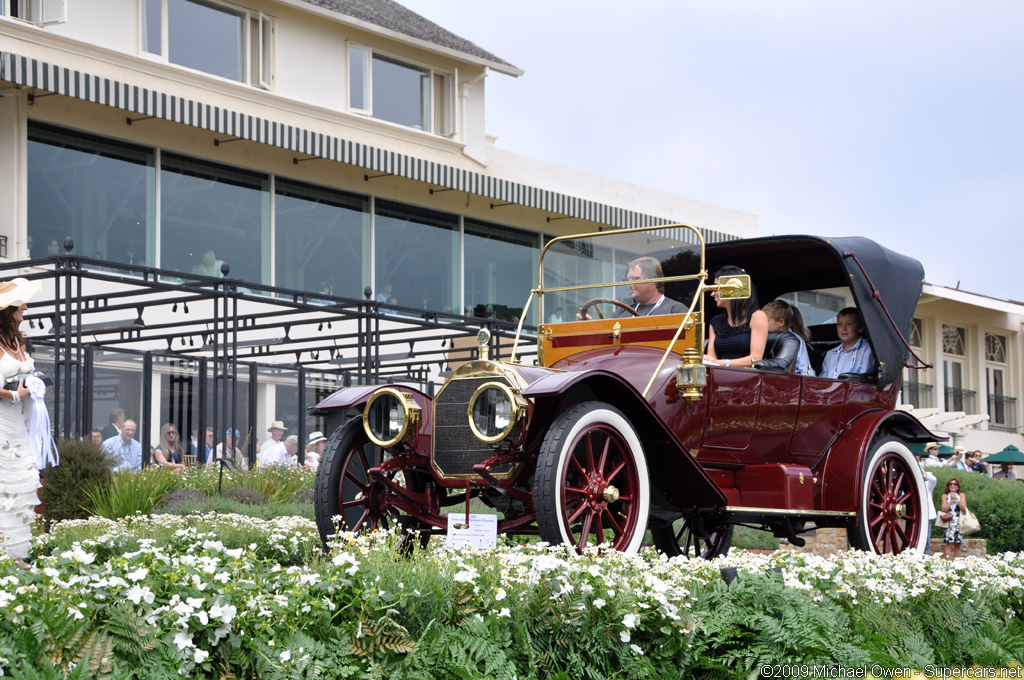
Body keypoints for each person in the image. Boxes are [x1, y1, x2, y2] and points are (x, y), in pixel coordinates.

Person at [0, 277, 43, 565]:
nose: (25, 307)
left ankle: (16, 554)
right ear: (7, 310)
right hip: (2, 422)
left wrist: (33, 386)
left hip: (20, 423)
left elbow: (21, 378)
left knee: (25, 482)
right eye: (20, 305)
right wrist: (16, 395)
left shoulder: (16, 341)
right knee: (5, 484)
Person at [704, 265, 768, 368]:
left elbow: (755, 358)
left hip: (748, 377)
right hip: (720, 375)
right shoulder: (715, 322)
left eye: (716, 289)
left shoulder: (757, 316)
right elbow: (711, 360)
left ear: (732, 289)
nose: (712, 294)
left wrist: (722, 363)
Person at [820, 307, 875, 379]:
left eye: (849, 324)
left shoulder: (867, 351)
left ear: (860, 328)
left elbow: (863, 381)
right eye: (840, 324)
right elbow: (823, 380)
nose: (844, 328)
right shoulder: (830, 354)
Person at [762, 300, 814, 375]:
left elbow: (804, 369)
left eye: (766, 320)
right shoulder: (761, 336)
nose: (762, 323)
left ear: (781, 322)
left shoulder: (795, 340)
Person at [916, 450, 938, 555]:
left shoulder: (927, 484)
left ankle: (926, 561)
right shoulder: (912, 485)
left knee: (927, 541)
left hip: (927, 516)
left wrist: (923, 472)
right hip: (917, 516)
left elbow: (933, 479)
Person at [940, 477, 968, 560]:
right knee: (949, 544)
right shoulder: (945, 496)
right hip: (949, 522)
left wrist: (957, 499)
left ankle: (957, 563)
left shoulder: (961, 495)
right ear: (948, 486)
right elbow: (944, 508)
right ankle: (948, 562)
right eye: (951, 484)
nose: (953, 485)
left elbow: (963, 508)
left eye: (955, 484)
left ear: (958, 486)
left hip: (958, 522)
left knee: (957, 544)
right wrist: (951, 500)